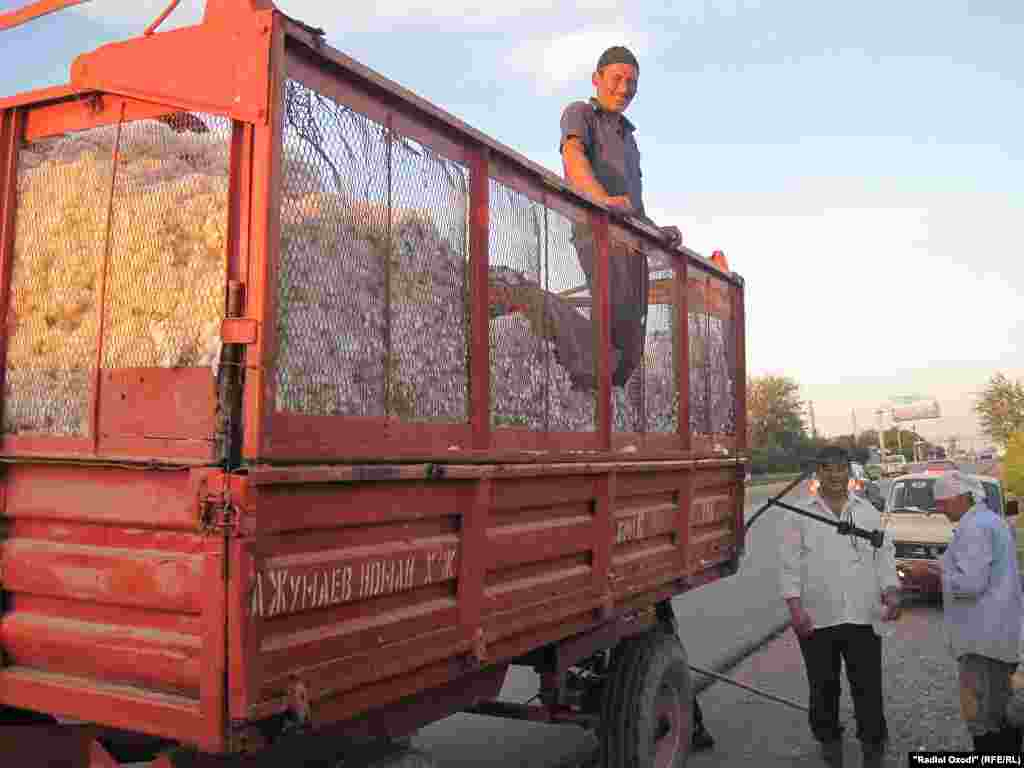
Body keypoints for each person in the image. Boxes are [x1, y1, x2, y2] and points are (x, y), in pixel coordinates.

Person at [559, 46, 682, 389]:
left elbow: (633, 206)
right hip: (596, 233)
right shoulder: (580, 113)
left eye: (632, 82)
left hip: (631, 245)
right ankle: (573, 374)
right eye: (617, 79)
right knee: (612, 327)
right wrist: (602, 203)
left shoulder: (629, 139)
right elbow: (574, 161)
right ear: (597, 79)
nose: (624, 88)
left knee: (631, 340)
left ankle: (602, 397)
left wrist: (657, 231)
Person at [779, 445, 901, 767]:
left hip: (863, 615)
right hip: (817, 619)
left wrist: (892, 591)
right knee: (823, 688)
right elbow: (789, 565)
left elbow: (884, 555)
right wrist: (795, 608)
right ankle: (829, 741)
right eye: (828, 468)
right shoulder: (798, 513)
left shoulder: (867, 512)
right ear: (818, 472)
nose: (835, 475)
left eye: (841, 468)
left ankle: (873, 746)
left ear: (849, 471)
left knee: (868, 688)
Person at [936, 471, 1023, 753]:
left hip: (982, 640)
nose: (940, 508)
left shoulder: (975, 528)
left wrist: (938, 573)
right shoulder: (990, 521)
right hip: (995, 634)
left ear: (962, 498)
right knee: (1000, 712)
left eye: (943, 502)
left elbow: (971, 583)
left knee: (984, 718)